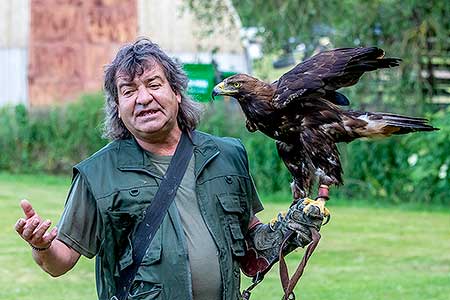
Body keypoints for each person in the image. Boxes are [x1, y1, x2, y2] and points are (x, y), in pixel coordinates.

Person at [15, 38, 322, 300]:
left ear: (176, 92)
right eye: (129, 90)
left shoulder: (227, 155)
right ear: (118, 107)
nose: (143, 98)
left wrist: (287, 233)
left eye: (153, 84)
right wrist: (41, 246)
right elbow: (60, 262)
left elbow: (249, 245)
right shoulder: (98, 173)